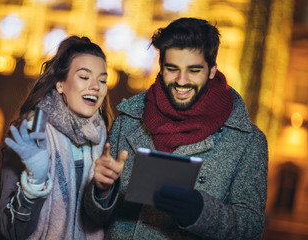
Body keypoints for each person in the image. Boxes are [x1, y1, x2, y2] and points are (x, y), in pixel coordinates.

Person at [84, 17, 268, 240]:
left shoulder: (248, 141)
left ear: (212, 71)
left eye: (194, 70)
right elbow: (94, 219)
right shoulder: (128, 121)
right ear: (161, 68)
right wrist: (102, 191)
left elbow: (251, 227)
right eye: (172, 69)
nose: (182, 81)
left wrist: (200, 211)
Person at [0, 35, 112, 239]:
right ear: (60, 83)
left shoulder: (101, 139)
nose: (96, 86)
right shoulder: (31, 134)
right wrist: (34, 182)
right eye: (84, 76)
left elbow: (102, 221)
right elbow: (9, 230)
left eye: (103, 79)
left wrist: (105, 190)